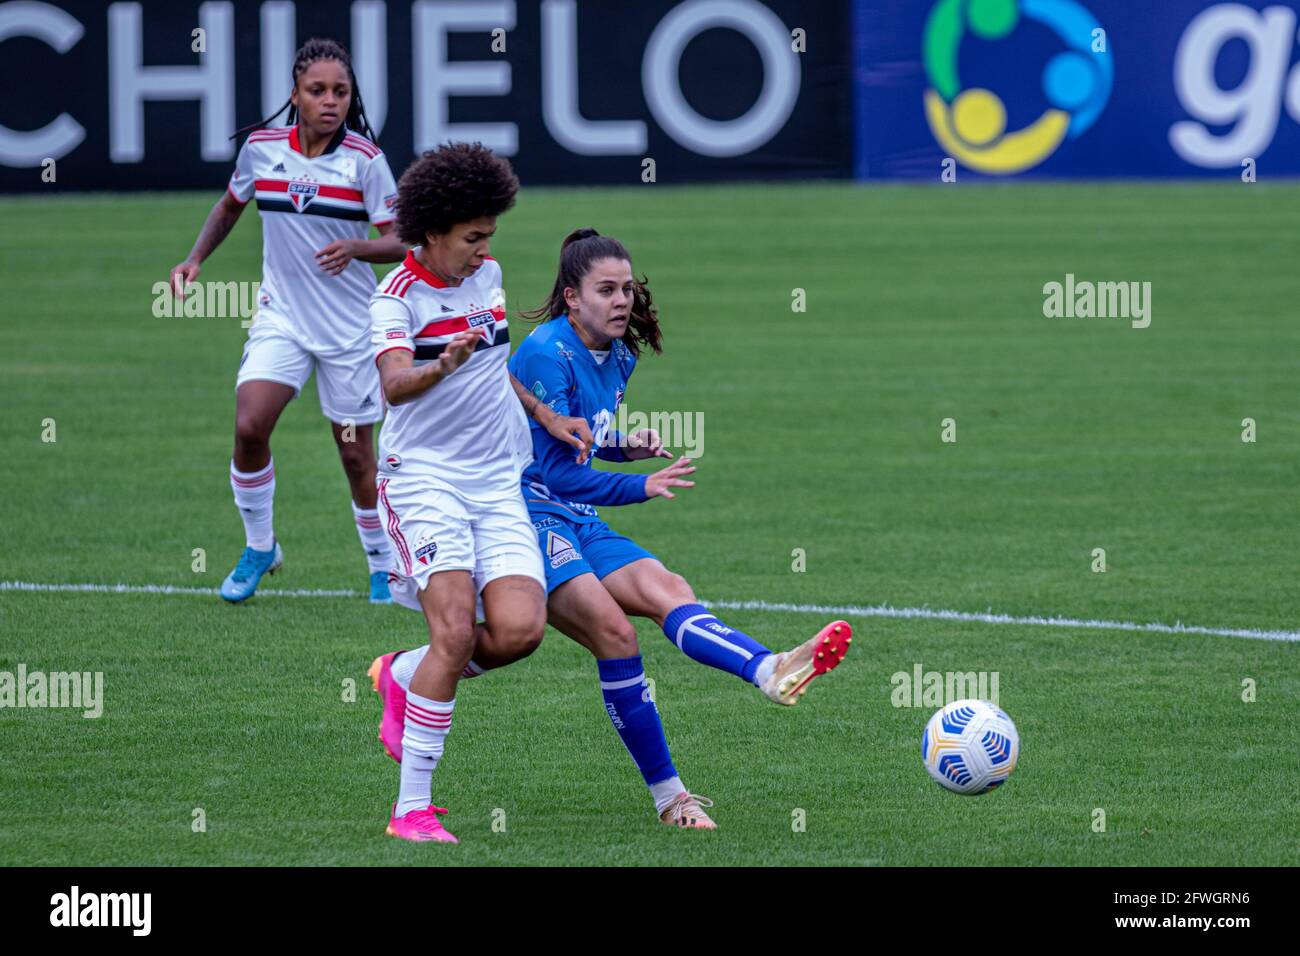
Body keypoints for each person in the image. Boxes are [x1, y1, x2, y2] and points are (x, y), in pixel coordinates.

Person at [370, 228, 851, 831]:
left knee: (669, 590)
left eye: (627, 288)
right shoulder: (548, 352)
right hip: (526, 510)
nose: (622, 300)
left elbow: (574, 446)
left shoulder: (619, 354)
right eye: (606, 290)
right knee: (614, 634)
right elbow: (551, 475)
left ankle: (768, 667)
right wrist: (639, 487)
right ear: (572, 298)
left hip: (571, 511)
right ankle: (671, 797)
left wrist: (623, 450)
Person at [370, 144, 594, 844]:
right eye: (473, 236)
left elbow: (497, 369)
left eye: (489, 234)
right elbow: (394, 383)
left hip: (497, 480)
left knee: (522, 631)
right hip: (425, 478)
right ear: (432, 231)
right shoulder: (395, 299)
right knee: (456, 631)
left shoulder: (488, 276)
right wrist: (444, 363)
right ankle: (411, 810)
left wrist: (546, 414)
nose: (484, 248)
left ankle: (403, 673)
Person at [169, 38, 404, 604]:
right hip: (283, 321)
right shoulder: (261, 149)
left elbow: (401, 242)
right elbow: (230, 205)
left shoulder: (365, 162)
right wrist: (195, 257)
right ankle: (260, 547)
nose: (330, 101)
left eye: (341, 92)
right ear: (294, 94)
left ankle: (380, 565)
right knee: (250, 426)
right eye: (317, 90)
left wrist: (355, 248)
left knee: (354, 454)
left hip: (350, 330)